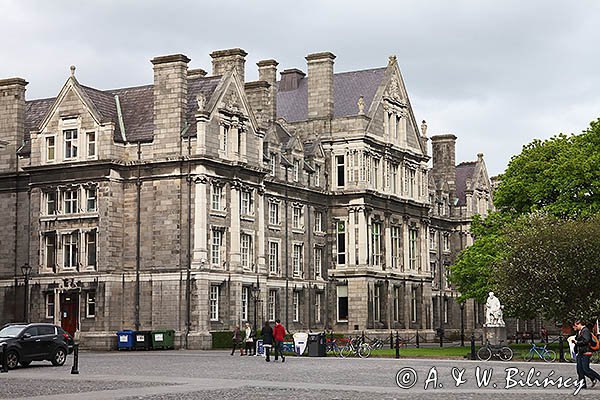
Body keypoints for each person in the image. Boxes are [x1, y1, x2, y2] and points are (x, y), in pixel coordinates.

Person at [571, 320, 600, 389]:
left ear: (579, 324)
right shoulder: (579, 331)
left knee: (586, 369)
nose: (575, 327)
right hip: (580, 352)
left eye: (576, 325)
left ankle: (595, 378)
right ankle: (582, 384)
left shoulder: (585, 330)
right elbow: (578, 341)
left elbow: (586, 341)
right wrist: (575, 347)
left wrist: (577, 342)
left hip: (586, 352)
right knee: (579, 370)